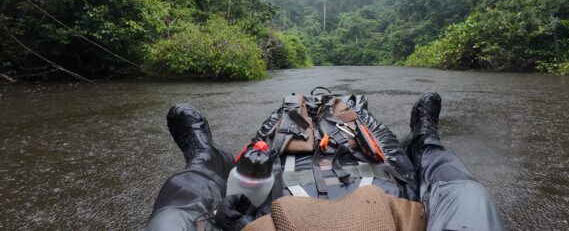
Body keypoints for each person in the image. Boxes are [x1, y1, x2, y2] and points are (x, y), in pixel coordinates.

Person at [146, 92, 504, 231]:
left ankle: (204, 159)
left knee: (171, 219)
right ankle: (425, 141)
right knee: (469, 195)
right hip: (388, 212)